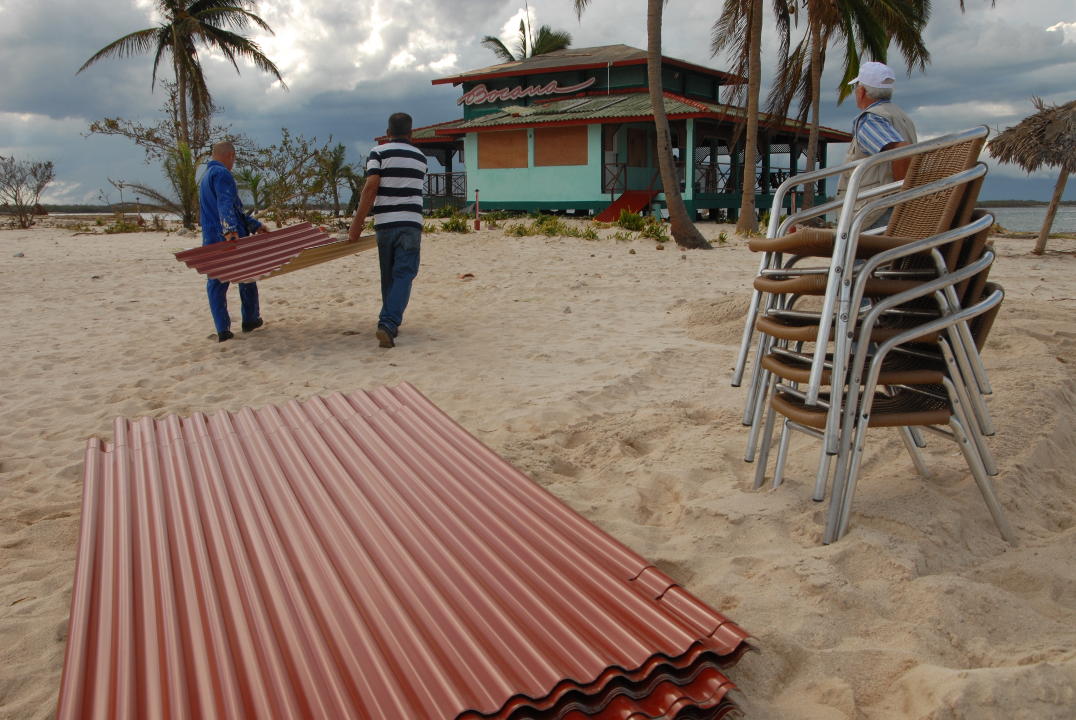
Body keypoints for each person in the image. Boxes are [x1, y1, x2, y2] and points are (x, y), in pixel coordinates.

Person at [348, 113, 428, 348]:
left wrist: (356, 225)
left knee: (389, 275)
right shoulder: (421, 158)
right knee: (404, 274)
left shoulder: (378, 153)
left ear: (387, 132)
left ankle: (388, 323)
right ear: (411, 133)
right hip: (411, 222)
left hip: (385, 223)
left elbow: (371, 187)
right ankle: (389, 323)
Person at [198, 141, 268, 342]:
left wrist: (255, 225)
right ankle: (250, 319)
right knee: (246, 276)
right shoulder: (222, 174)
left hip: (211, 237)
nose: (233, 163)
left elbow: (232, 209)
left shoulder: (205, 178)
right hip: (227, 238)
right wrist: (229, 230)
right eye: (234, 159)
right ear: (230, 155)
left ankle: (223, 329)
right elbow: (225, 203)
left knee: (216, 282)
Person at [836, 61, 918, 229]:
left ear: (862, 91)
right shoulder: (903, 117)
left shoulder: (870, 119)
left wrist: (901, 198)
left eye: (857, 87)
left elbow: (901, 151)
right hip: (886, 207)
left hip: (874, 211)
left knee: (857, 254)